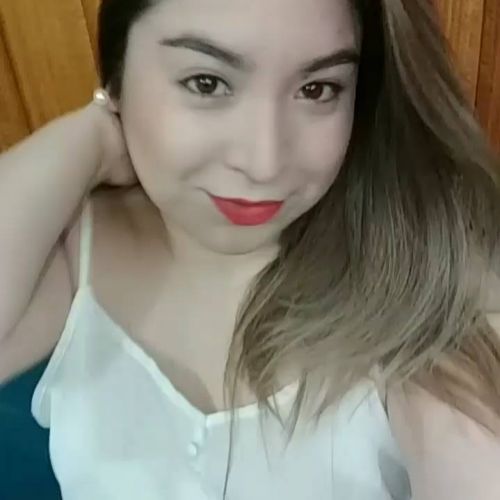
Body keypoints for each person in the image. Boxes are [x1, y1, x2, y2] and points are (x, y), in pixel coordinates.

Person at [1, 0, 500, 498]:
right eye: (207, 83)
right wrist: (89, 137)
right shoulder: (74, 247)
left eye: (317, 89)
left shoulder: (415, 290)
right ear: (117, 75)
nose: (265, 163)